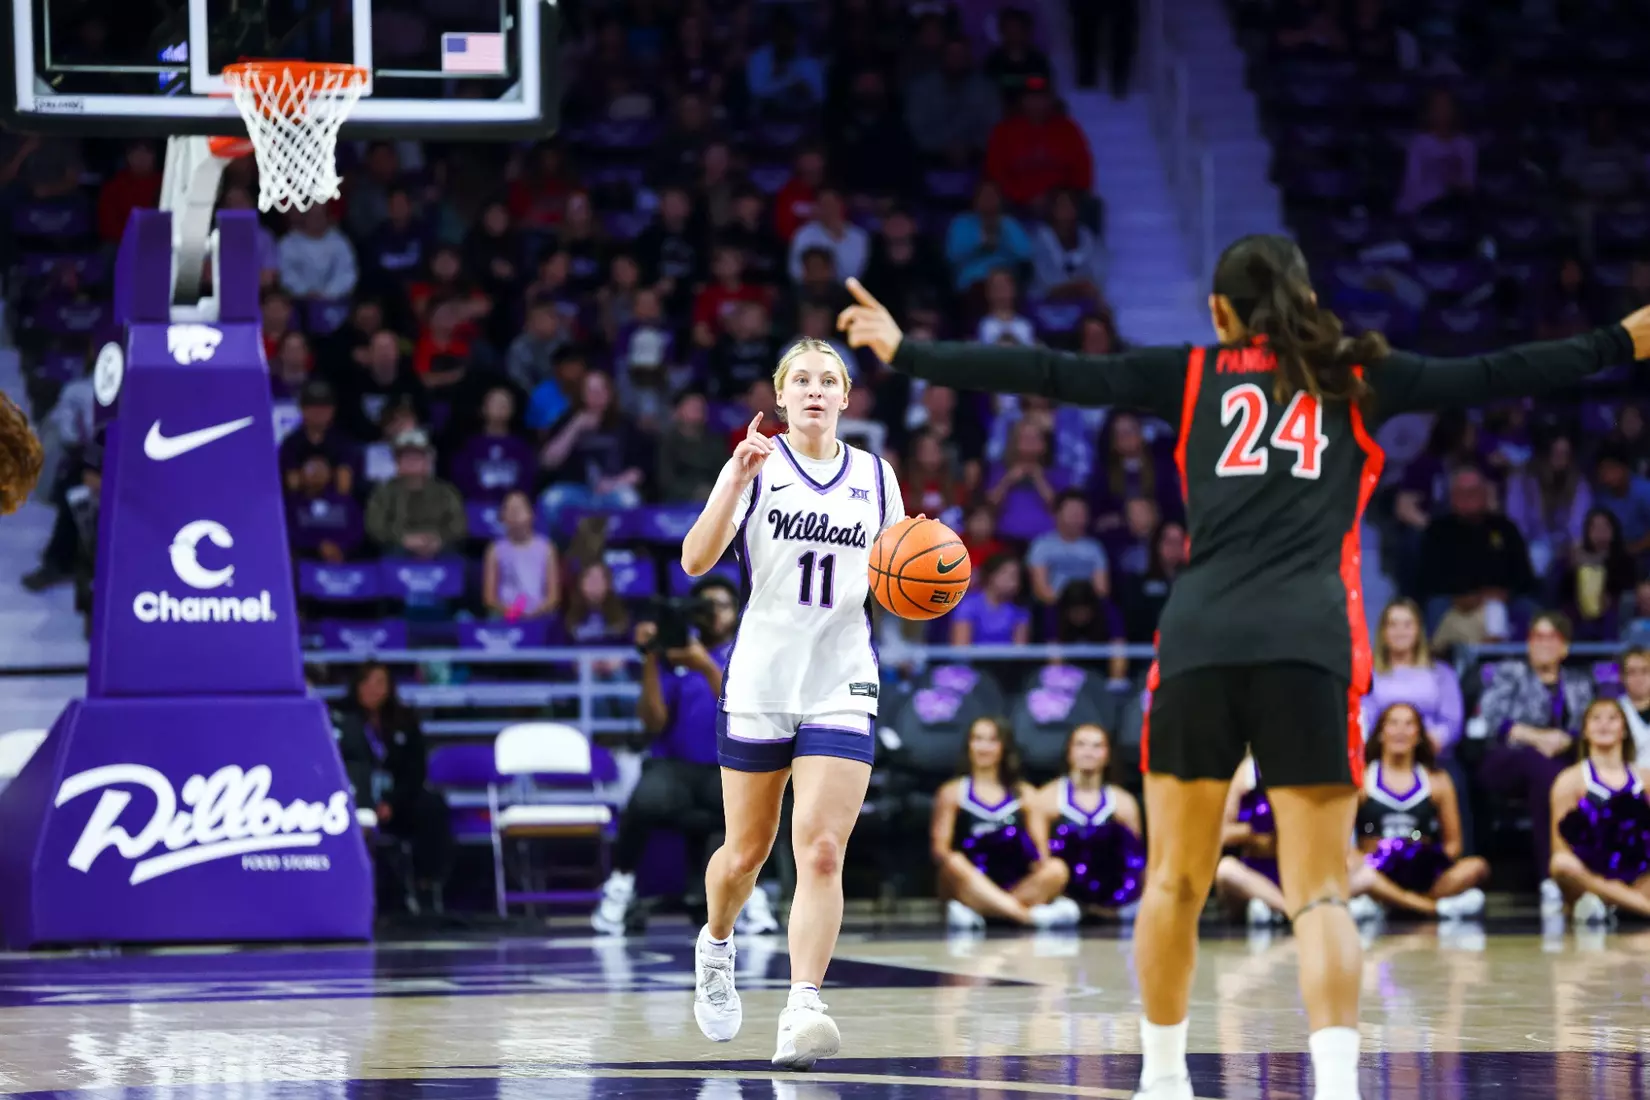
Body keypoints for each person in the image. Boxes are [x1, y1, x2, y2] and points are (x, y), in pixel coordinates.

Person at [839, 236, 1650, 1100]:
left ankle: (1161, 1079)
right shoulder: (1360, 377)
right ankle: (1335, 1086)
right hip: (1309, 645)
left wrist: (907, 350)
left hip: (1199, 642)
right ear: (1302, 297)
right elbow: (1498, 372)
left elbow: (1050, 372)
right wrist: (1622, 341)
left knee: (1175, 882)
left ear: (1221, 312)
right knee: (1322, 894)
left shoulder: (1191, 375)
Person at [677, 338, 905, 1070]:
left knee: (824, 849)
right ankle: (716, 944)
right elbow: (694, 560)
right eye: (800, 379)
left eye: (827, 379)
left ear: (847, 396)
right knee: (746, 854)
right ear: (781, 397)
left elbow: (904, 576)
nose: (814, 389)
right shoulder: (756, 464)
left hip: (841, 675)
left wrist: (934, 575)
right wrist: (732, 480)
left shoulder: (876, 476)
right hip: (763, 678)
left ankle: (803, 1004)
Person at [591, 576, 779, 937]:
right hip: (676, 766)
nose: (713, 614)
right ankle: (619, 887)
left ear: (736, 612)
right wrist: (650, 659)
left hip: (728, 768)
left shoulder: (750, 651)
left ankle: (753, 897)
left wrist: (705, 665)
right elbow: (653, 722)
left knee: (755, 809)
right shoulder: (673, 655)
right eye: (704, 607)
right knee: (644, 797)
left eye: (721, 605)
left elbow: (742, 710)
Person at [930, 716, 1079, 931]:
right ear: (968, 745)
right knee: (953, 862)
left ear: (1004, 747)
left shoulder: (1025, 794)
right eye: (978, 739)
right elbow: (940, 850)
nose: (984, 747)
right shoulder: (952, 792)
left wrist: (1041, 870)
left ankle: (985, 912)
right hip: (968, 882)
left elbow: (1041, 854)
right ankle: (1025, 916)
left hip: (1016, 882)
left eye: (992, 740)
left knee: (1057, 869)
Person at [1346, 703, 1489, 921]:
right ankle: (1432, 908)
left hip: (1422, 875)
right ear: (1381, 733)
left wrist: (1425, 859)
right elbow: (1343, 841)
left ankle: (1392, 903)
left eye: (1409, 724)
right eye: (1392, 723)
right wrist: (1374, 858)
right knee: (1351, 871)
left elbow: (1454, 845)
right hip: (1375, 870)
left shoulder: (1437, 781)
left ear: (1419, 735)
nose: (1400, 731)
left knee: (1476, 867)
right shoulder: (1362, 780)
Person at [332, 662, 453, 915]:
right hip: (352, 798)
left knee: (433, 806)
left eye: (380, 683)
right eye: (367, 682)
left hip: (396, 803)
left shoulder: (404, 720)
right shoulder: (338, 718)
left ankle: (427, 885)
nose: (373, 689)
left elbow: (415, 771)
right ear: (356, 686)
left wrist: (392, 803)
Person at [1550, 699, 1650, 923]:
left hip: (1640, 873)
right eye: (1596, 718)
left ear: (1624, 730)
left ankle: (1615, 905)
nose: (1603, 724)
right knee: (1561, 864)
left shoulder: (1645, 778)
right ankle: (1639, 907)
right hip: (1590, 873)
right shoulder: (1569, 780)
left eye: (1612, 718)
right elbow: (1559, 846)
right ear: (1585, 730)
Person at [1035, 723, 1145, 917]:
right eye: (1081, 745)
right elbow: (1040, 860)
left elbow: (1136, 862)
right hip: (1063, 904)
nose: (1088, 752)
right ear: (1069, 752)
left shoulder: (1123, 803)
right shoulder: (1047, 799)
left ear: (1108, 754)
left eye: (1097, 746)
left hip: (1116, 904)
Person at [1212, 756, 1288, 926]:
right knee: (1226, 870)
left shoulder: (1304, 766)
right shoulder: (1247, 771)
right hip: (1255, 872)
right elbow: (1222, 833)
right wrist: (1254, 832)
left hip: (1293, 870)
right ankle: (1289, 910)